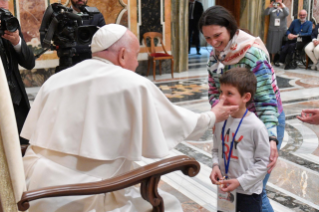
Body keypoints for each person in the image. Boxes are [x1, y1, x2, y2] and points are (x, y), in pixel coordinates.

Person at [21, 24, 238, 212]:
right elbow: (175, 123)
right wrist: (212, 116)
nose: (136, 64)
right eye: (136, 56)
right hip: (86, 194)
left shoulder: (56, 79)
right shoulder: (131, 83)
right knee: (169, 205)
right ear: (123, 54)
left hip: (36, 186)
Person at [198, 5, 285, 212]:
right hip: (234, 122)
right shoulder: (215, 56)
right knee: (234, 187)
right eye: (207, 38)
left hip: (263, 123)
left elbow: (266, 101)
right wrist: (219, 116)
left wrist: (271, 139)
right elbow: (213, 92)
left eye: (217, 35)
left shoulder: (252, 54)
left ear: (230, 29)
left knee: (255, 191)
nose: (213, 43)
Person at [211, 68, 270, 212]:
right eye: (221, 92)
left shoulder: (256, 126)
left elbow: (263, 164)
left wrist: (239, 181)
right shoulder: (220, 120)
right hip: (225, 189)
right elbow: (216, 149)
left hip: (248, 193)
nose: (222, 98)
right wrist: (215, 166)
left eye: (229, 93)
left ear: (246, 97)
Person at [0, 0, 35, 145]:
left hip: (17, 102)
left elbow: (29, 63)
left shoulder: (10, 22)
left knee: (22, 149)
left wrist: (17, 42)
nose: (3, 3)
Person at [70, 0, 106, 66]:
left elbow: (104, 41)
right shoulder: (64, 16)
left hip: (94, 63)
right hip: (70, 64)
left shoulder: (97, 16)